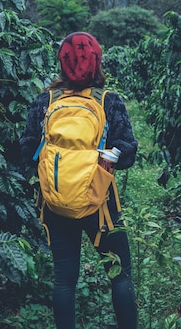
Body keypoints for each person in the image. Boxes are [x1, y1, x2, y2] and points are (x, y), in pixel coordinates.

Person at [19, 32, 139, 328]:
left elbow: (27, 150)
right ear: (98, 63)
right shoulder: (108, 101)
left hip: (55, 202)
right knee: (120, 274)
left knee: (64, 280)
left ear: (62, 64)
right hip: (99, 203)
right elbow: (128, 153)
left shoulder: (45, 100)